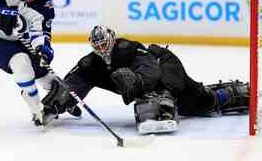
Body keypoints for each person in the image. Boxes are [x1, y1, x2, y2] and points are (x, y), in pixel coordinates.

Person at [42, 25, 249, 134]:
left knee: (200, 102)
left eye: (105, 44)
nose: (103, 49)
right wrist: (58, 103)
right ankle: (159, 103)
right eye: (98, 47)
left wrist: (138, 84)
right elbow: (75, 82)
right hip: (151, 82)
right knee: (184, 106)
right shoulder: (91, 62)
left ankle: (232, 95)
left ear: (112, 39)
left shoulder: (128, 48)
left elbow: (150, 70)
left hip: (165, 65)